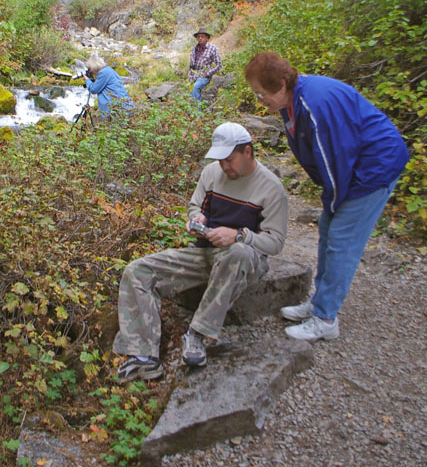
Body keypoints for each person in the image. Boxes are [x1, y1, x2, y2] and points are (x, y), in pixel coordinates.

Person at [244, 52, 409, 343]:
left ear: (281, 84)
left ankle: (325, 318)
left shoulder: (315, 104)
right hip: (356, 166)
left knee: (341, 241)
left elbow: (335, 161)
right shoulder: (293, 100)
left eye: (262, 94)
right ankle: (319, 301)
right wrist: (331, 201)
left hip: (374, 168)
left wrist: (333, 200)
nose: (260, 101)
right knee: (326, 231)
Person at [113, 122, 288, 382]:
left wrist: (239, 235)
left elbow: (275, 243)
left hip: (245, 260)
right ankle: (143, 356)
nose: (224, 167)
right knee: (137, 270)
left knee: (236, 252)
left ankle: (197, 334)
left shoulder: (271, 188)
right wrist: (197, 222)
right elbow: (195, 206)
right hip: (205, 253)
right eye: (220, 161)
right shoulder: (211, 174)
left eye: (229, 160)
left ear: (248, 152)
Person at [188, 28, 222, 103]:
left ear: (207, 38)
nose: (200, 38)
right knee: (186, 90)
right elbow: (191, 65)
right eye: (199, 37)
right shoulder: (195, 49)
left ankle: (197, 112)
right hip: (194, 76)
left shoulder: (213, 48)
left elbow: (219, 65)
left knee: (196, 86)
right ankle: (191, 111)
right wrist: (189, 76)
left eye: (202, 36)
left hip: (204, 77)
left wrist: (207, 73)